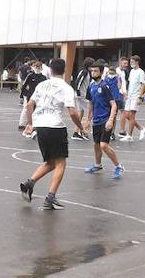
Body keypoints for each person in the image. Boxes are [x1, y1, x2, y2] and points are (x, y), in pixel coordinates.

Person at [18, 58, 88, 210]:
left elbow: (30, 105)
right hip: (55, 126)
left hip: (41, 126)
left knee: (50, 162)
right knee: (61, 163)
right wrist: (81, 127)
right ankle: (50, 198)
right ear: (64, 70)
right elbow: (72, 111)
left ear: (50, 70)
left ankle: (30, 183)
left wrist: (30, 124)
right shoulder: (66, 87)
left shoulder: (42, 85)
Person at [83, 60, 124, 179]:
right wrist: (88, 119)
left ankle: (118, 166)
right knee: (96, 145)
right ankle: (97, 165)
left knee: (103, 145)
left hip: (105, 120)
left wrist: (111, 120)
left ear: (101, 72)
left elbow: (114, 104)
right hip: (96, 120)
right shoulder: (91, 86)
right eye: (92, 71)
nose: (93, 73)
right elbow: (90, 103)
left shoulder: (105, 86)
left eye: (95, 71)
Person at [123, 55, 145, 141]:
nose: (131, 64)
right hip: (130, 96)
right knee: (126, 115)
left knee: (132, 115)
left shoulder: (141, 72)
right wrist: (126, 94)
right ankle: (141, 129)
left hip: (136, 96)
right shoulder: (132, 71)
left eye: (132, 62)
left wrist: (140, 97)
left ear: (137, 62)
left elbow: (142, 85)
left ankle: (129, 136)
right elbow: (129, 83)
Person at [18, 60, 47, 136]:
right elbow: (24, 86)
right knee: (29, 111)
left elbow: (47, 88)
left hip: (40, 98)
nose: (37, 68)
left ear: (41, 68)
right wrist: (22, 95)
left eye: (39, 67)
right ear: (33, 67)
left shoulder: (44, 78)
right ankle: (27, 126)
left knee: (38, 112)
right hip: (30, 96)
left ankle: (35, 127)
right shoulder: (30, 76)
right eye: (36, 67)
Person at [73, 57, 96, 140]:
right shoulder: (85, 72)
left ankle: (77, 131)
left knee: (81, 113)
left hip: (80, 94)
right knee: (89, 113)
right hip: (82, 95)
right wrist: (78, 92)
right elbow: (78, 82)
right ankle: (84, 131)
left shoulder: (84, 71)